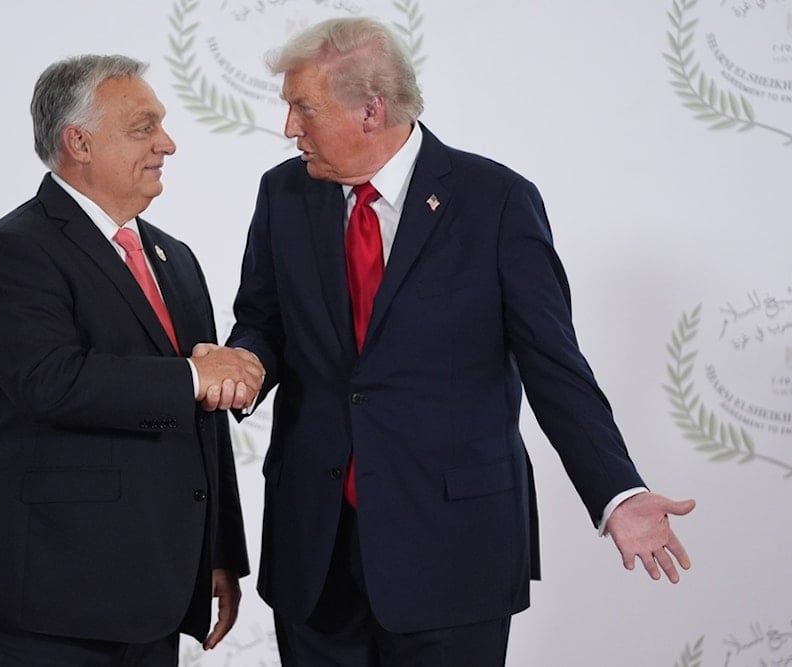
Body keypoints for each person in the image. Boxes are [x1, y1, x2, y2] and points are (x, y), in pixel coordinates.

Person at [218, 17, 696, 666]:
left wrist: (618, 492)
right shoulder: (283, 195)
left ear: (370, 109)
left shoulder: (494, 201)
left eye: (303, 107)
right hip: (314, 547)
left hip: (453, 548)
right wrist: (245, 358)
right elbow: (263, 320)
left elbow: (554, 365)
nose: (289, 129)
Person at [0, 54, 264, 666]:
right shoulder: (16, 249)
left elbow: (201, 418)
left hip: (151, 595)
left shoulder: (174, 258)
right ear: (77, 142)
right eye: (143, 127)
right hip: (37, 599)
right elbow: (51, 382)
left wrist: (217, 551)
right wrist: (193, 374)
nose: (167, 143)